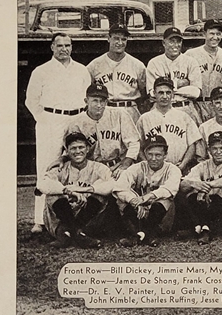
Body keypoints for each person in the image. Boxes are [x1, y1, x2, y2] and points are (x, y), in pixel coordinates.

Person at [25, 33, 91, 233]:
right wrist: (44, 119)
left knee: (78, 163)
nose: (64, 49)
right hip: (51, 121)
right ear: (52, 47)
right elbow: (31, 100)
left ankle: (78, 216)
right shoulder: (41, 71)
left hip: (76, 119)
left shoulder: (81, 70)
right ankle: (40, 220)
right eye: (60, 45)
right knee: (47, 167)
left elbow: (87, 97)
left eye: (68, 45)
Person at [38, 132, 115, 249]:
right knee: (53, 195)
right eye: (73, 148)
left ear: (88, 149)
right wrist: (67, 191)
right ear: (67, 151)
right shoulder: (61, 168)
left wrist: (85, 190)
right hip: (61, 217)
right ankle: (78, 234)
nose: (78, 151)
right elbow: (42, 184)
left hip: (87, 217)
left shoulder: (99, 167)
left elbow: (111, 185)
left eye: (81, 147)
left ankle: (68, 235)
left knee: (101, 195)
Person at [177, 131, 222, 245]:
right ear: (209, 150)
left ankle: (198, 229)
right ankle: (204, 229)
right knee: (190, 195)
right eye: (215, 149)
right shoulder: (203, 165)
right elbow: (182, 185)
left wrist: (208, 186)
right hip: (205, 206)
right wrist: (195, 185)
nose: (219, 152)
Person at [113, 135, 181, 247]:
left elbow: (170, 188)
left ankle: (142, 234)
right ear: (145, 154)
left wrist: (146, 198)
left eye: (158, 155)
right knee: (122, 200)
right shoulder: (137, 167)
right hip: (139, 212)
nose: (153, 158)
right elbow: (119, 187)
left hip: (161, 216)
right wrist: (133, 200)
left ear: (165, 155)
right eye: (150, 154)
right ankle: (146, 235)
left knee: (166, 199)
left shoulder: (172, 169)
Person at [64, 82, 140, 178]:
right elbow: (70, 149)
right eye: (95, 101)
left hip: (118, 165)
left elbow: (134, 143)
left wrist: (125, 164)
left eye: (102, 101)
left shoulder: (120, 114)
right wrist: (62, 159)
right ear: (86, 101)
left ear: (106, 102)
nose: (99, 105)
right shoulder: (76, 123)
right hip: (91, 169)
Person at [136, 76, 201, 174]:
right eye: (161, 93)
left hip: (179, 167)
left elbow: (192, 145)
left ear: (173, 95)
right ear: (154, 94)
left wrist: (182, 166)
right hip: (153, 171)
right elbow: (138, 146)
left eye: (168, 92)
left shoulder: (184, 117)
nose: (165, 96)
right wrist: (148, 165)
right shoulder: (144, 118)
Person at [86, 24, 147, 123]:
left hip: (129, 110)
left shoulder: (138, 65)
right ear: (108, 38)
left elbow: (144, 94)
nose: (120, 42)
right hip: (105, 110)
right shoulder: (94, 65)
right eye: (116, 38)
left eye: (123, 39)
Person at [145, 27, 202, 124]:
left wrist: (167, 88)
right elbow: (152, 93)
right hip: (161, 110)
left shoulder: (191, 62)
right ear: (164, 43)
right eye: (171, 41)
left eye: (178, 41)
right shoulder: (154, 63)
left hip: (186, 108)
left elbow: (196, 92)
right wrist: (179, 84)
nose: (175, 45)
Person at [185, 19, 222, 123]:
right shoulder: (191, 54)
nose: (215, 37)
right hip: (197, 105)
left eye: (218, 34)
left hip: (219, 106)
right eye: (211, 33)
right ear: (204, 34)